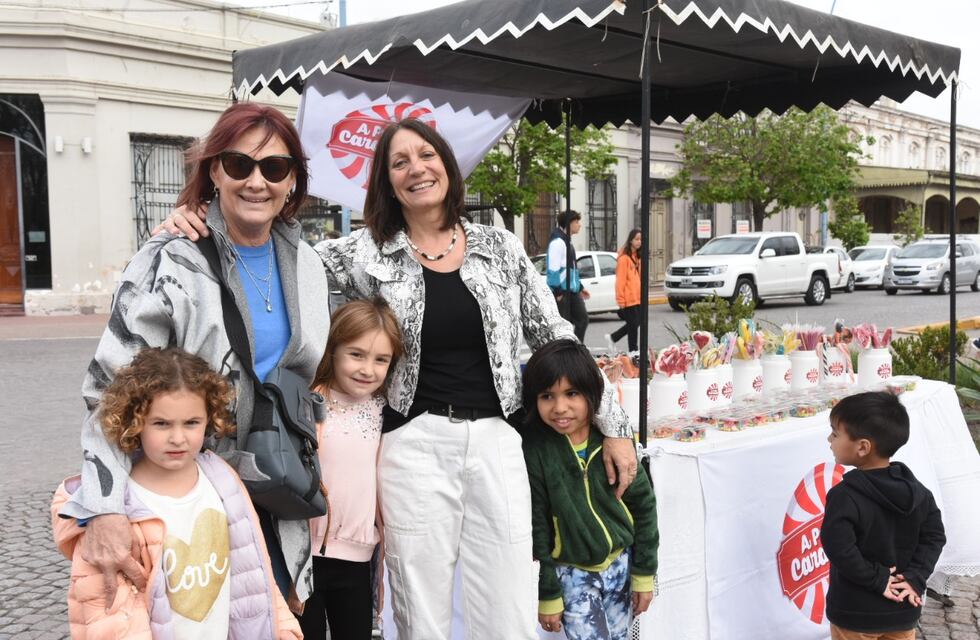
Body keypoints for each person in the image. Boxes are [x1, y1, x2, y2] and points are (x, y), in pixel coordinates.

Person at [162, 117, 637, 640]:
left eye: (426, 155)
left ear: (447, 166)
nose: (417, 169)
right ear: (386, 182)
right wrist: (195, 217)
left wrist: (614, 425)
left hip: (497, 440)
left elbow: (556, 336)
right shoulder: (359, 254)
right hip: (413, 443)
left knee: (506, 607)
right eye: (399, 162)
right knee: (419, 608)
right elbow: (268, 241)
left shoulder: (497, 246)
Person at [60, 103, 331, 612]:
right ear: (213, 170)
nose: (257, 181)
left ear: (293, 179)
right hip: (188, 493)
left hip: (279, 495)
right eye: (238, 165)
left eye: (274, 168)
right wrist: (103, 509)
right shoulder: (171, 260)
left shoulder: (309, 263)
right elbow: (112, 389)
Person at [51, 347, 302, 639]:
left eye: (191, 423)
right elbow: (107, 616)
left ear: (209, 419)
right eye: (161, 424)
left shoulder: (221, 479)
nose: (178, 438)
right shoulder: (116, 508)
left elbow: (253, 566)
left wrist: (282, 626)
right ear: (135, 421)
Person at [521, 339, 658, 639]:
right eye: (547, 396)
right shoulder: (536, 450)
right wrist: (548, 592)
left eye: (571, 393)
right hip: (573, 575)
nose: (560, 408)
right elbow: (538, 527)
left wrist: (644, 573)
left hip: (622, 566)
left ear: (592, 392)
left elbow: (645, 506)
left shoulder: (612, 442)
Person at [300, 299, 404, 640]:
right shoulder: (311, 402)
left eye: (380, 360)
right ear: (333, 351)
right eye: (356, 354)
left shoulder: (383, 411)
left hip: (358, 559)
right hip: (305, 557)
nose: (367, 369)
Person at [822, 391, 946, 640]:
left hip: (854, 613)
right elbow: (934, 537)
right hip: (903, 608)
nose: (829, 439)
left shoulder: (844, 495)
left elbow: (839, 548)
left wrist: (878, 579)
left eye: (835, 433)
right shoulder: (919, 492)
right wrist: (914, 578)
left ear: (863, 447)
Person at [547, 210, 590, 342]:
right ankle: (567, 354)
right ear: (568, 223)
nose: (579, 225)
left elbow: (571, 268)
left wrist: (580, 287)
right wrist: (558, 291)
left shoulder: (567, 242)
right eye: (576, 222)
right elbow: (553, 269)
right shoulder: (558, 243)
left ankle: (576, 350)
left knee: (582, 320)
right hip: (562, 292)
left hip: (572, 291)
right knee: (563, 328)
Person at [605, 228, 643, 354]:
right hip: (628, 299)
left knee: (635, 324)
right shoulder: (624, 259)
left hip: (637, 297)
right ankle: (633, 351)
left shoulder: (637, 257)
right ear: (630, 240)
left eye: (641, 239)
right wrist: (620, 299)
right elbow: (620, 281)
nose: (639, 242)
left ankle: (613, 338)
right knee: (634, 325)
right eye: (636, 239)